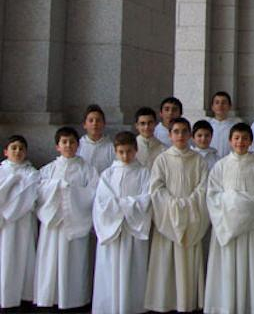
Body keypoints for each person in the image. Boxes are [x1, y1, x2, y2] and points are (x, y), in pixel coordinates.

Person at [204, 123, 254, 314]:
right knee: (227, 270)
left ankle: (250, 306)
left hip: (252, 227)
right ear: (230, 141)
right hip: (226, 227)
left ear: (251, 141)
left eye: (244, 138)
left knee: (251, 268)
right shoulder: (220, 166)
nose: (240, 142)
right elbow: (212, 195)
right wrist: (233, 203)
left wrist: (242, 207)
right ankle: (226, 306)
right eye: (236, 138)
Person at [144, 118, 210, 312]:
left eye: (184, 132)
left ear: (190, 135)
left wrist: (188, 204)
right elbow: (156, 188)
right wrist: (173, 204)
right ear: (170, 135)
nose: (180, 136)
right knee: (166, 260)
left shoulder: (199, 160)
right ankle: (164, 301)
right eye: (176, 132)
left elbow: (204, 187)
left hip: (192, 217)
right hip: (168, 217)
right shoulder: (162, 159)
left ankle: (186, 301)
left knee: (187, 263)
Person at [34, 127, 99, 309]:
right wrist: (57, 187)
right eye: (64, 142)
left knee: (74, 264)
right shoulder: (48, 170)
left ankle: (74, 300)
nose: (68, 145)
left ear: (78, 145)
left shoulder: (87, 169)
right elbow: (38, 192)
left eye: (72, 142)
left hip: (76, 225)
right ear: (57, 146)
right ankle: (50, 298)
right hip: (54, 225)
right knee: (50, 263)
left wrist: (70, 192)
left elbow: (94, 194)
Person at [92, 131, 152, 314]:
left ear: (136, 150)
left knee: (133, 270)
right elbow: (101, 202)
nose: (126, 156)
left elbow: (147, 199)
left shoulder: (144, 173)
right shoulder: (107, 174)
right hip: (113, 231)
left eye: (129, 151)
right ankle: (109, 307)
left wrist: (122, 206)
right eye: (121, 152)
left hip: (133, 229)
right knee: (110, 271)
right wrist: (127, 206)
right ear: (115, 152)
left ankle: (132, 307)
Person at [0, 136, 39, 308]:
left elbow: (33, 196)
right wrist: (10, 183)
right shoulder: (2, 171)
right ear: (5, 151)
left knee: (24, 258)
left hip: (24, 223)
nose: (17, 151)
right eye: (14, 147)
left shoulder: (32, 173)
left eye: (21, 148)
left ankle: (23, 297)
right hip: (4, 225)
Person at [77, 104, 115, 174]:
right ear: (84, 125)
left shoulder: (111, 147)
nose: (95, 123)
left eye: (98, 120)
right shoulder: (78, 146)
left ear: (104, 124)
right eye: (91, 120)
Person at [206, 91, 242, 158]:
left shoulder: (235, 126)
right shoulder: (207, 125)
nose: (220, 105)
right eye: (217, 102)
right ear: (212, 107)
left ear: (229, 106)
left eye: (224, 103)